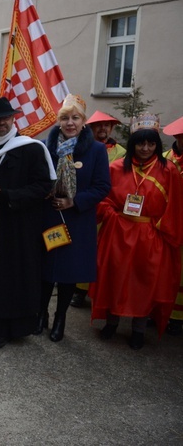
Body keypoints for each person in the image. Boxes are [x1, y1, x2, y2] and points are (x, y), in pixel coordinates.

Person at [0, 97, 55, 350]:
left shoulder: (32, 148)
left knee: (10, 274)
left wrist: (9, 197)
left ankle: (5, 327)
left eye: (5, 117)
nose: (0, 122)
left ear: (14, 118)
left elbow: (43, 186)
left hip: (16, 225)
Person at [91, 114, 183, 349]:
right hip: (117, 232)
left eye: (151, 143)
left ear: (157, 144)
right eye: (140, 143)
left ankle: (139, 329)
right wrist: (112, 215)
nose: (145, 148)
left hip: (150, 235)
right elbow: (102, 199)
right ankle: (111, 323)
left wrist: (160, 230)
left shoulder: (169, 171)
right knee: (115, 277)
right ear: (133, 144)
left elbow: (175, 207)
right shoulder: (115, 168)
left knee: (144, 282)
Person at [37, 94, 111, 342]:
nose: (70, 123)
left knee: (68, 273)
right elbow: (38, 179)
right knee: (45, 269)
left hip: (77, 221)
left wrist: (74, 201)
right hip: (49, 217)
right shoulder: (47, 147)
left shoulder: (97, 150)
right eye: (65, 118)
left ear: (84, 121)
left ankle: (60, 318)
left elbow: (102, 187)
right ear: (58, 121)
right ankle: (41, 314)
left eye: (75, 118)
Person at [70, 109, 126, 308]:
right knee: (83, 250)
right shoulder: (81, 147)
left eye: (106, 125)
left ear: (111, 128)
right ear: (91, 127)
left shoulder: (121, 153)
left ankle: (98, 291)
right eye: (98, 125)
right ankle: (79, 289)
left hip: (109, 209)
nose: (103, 128)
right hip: (87, 205)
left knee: (103, 254)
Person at [162, 116, 183, 335]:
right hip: (165, 220)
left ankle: (178, 317)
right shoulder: (166, 159)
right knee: (165, 269)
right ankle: (161, 310)